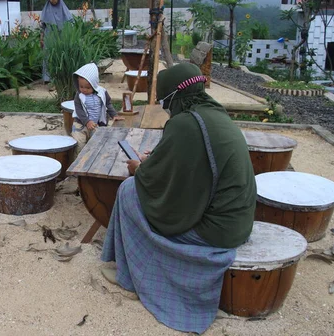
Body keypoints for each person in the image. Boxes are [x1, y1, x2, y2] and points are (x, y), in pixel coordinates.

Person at [100, 63, 256, 334]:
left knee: (128, 191)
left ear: (174, 96)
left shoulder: (185, 123)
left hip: (217, 231)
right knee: (138, 185)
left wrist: (141, 169)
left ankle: (130, 275)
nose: (165, 107)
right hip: (239, 221)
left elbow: (161, 183)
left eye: (163, 101)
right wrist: (157, 163)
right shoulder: (214, 114)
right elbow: (192, 167)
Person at [71, 63, 124, 156]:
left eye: (87, 87)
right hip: (80, 124)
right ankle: (78, 162)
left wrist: (114, 115)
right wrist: (87, 122)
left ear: (94, 84)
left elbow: (108, 104)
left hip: (95, 124)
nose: (84, 90)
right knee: (79, 144)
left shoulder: (102, 92)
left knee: (97, 143)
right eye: (81, 87)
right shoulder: (79, 95)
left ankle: (92, 159)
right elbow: (79, 110)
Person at [39, 0, 73, 89]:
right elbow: (42, 26)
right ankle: (48, 79)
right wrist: (41, 38)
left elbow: (69, 23)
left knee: (60, 56)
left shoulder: (63, 8)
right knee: (48, 56)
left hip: (61, 37)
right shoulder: (46, 9)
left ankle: (59, 79)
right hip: (49, 37)